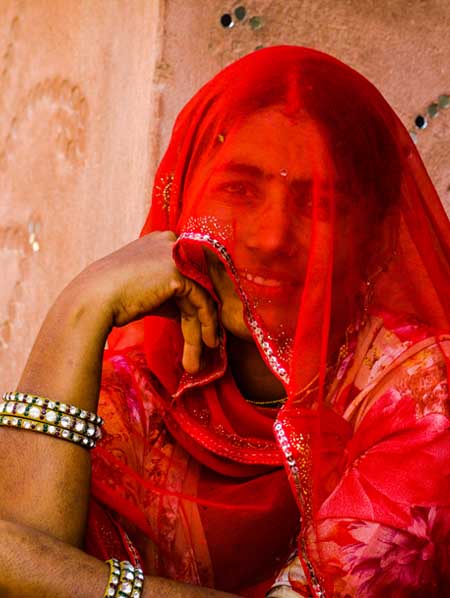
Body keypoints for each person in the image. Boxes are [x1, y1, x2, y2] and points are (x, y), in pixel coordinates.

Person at [0, 45, 449, 598]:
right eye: (239, 190)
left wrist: (79, 584)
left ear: (374, 233)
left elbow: (26, 569)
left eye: (320, 204)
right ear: (184, 197)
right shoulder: (142, 379)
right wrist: (79, 307)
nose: (271, 237)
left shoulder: (423, 389)